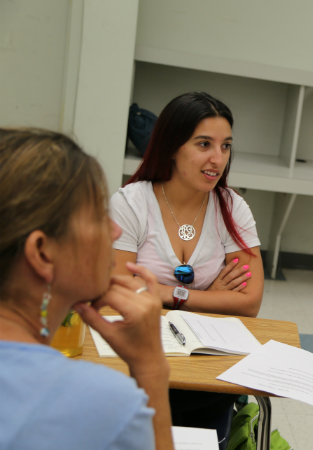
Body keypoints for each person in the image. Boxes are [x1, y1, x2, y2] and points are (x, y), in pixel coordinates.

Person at [0, 128, 173, 450]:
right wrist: (150, 368)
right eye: (98, 216)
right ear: (42, 253)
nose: (116, 229)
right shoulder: (103, 403)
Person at [111, 92, 263, 317]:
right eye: (204, 144)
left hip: (206, 341)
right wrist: (210, 296)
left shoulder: (232, 207)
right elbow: (120, 292)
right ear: (171, 147)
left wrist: (168, 295)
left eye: (225, 146)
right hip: (141, 332)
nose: (219, 159)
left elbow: (249, 303)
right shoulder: (129, 204)